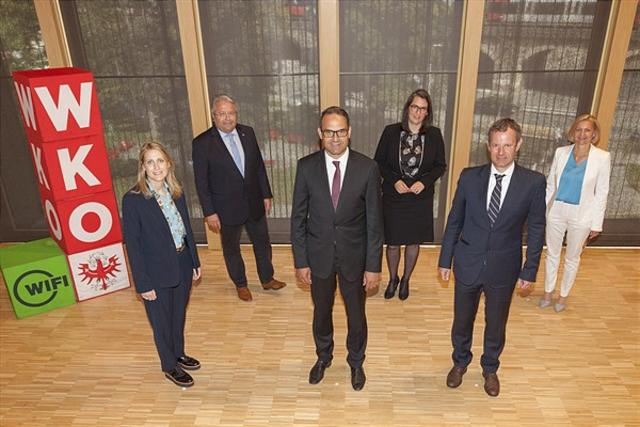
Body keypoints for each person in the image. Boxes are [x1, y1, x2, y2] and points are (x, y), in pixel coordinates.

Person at [438, 118, 546, 397]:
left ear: (518, 145)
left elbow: (536, 229)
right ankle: (460, 362)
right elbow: (454, 220)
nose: (501, 151)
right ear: (488, 146)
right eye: (496, 145)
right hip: (468, 261)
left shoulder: (533, 183)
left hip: (504, 266)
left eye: (507, 145)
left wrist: (529, 269)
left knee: (496, 322)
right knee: (462, 319)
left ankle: (490, 368)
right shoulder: (469, 177)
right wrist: (444, 259)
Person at [291, 106, 383, 391]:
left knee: (356, 314)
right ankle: (323, 356)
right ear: (320, 134)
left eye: (340, 131)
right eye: (329, 132)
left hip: (355, 257)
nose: (334, 137)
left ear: (349, 133)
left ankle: (356, 362)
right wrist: (301, 261)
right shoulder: (306, 167)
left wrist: (373, 266)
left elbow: (374, 223)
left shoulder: (367, 168)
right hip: (318, 257)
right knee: (321, 312)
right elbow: (298, 219)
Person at [122, 142, 202, 388]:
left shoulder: (176, 191)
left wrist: (194, 261)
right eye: (150, 162)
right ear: (143, 167)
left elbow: (186, 228)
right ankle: (169, 365)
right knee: (161, 321)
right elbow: (133, 246)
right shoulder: (133, 199)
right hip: (154, 272)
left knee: (178, 316)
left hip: (181, 262)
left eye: (160, 161)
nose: (156, 167)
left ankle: (178, 353)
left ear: (169, 164)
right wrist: (142, 283)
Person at [192, 94, 285, 302]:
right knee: (232, 248)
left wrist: (266, 193)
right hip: (225, 208)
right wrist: (209, 212)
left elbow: (258, 166)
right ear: (214, 116)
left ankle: (267, 278)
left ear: (236, 114)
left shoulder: (247, 133)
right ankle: (241, 284)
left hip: (254, 201)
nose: (227, 118)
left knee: (263, 243)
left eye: (231, 113)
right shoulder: (202, 143)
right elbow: (201, 182)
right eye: (222, 114)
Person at [374, 89, 446, 300]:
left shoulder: (434, 135)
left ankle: (406, 280)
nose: (418, 112)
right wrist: (394, 180)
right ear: (408, 108)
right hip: (394, 196)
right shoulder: (391, 131)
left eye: (423, 109)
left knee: (413, 242)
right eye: (415, 107)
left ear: (427, 113)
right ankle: (393, 278)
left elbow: (440, 165)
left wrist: (424, 182)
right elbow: (378, 162)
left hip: (419, 198)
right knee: (394, 242)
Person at [540, 114, 611, 313]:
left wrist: (597, 224)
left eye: (587, 130)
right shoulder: (561, 152)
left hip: (582, 214)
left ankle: (563, 296)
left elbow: (602, 192)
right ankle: (548, 292)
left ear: (594, 134)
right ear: (573, 132)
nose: (582, 134)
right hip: (557, 211)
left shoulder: (602, 158)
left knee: (572, 257)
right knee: (552, 254)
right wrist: (544, 210)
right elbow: (551, 184)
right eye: (579, 130)